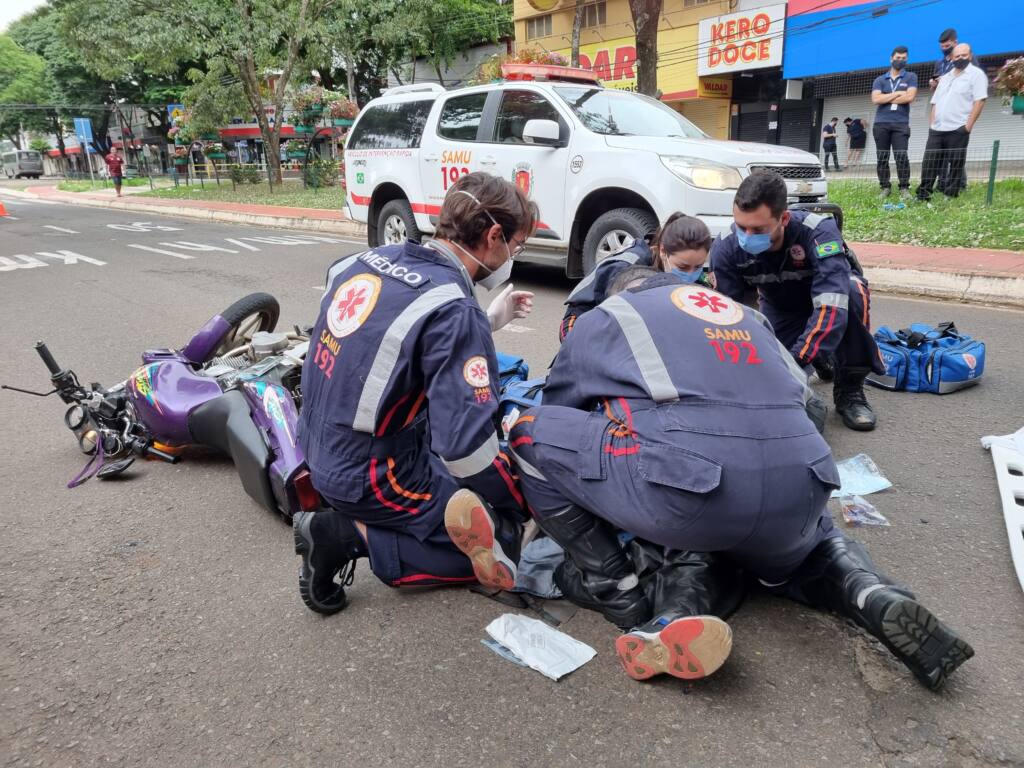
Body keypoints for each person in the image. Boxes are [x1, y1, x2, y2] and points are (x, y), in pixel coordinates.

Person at [508, 265, 974, 690]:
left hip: (693, 496)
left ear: (618, 292)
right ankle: (867, 590)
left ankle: (621, 596)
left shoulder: (611, 316)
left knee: (532, 432)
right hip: (804, 485)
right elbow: (810, 405)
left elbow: (561, 410)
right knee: (809, 542)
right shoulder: (745, 316)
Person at [292, 172, 537, 614]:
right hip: (372, 473)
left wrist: (487, 322)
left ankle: (371, 520)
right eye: (516, 246)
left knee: (467, 509)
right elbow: (465, 449)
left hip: (313, 442)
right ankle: (342, 536)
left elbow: (392, 343)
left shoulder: (363, 261)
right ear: (494, 236)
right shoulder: (454, 310)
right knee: (502, 541)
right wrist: (521, 501)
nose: (512, 256)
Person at [709, 171, 884, 431]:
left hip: (826, 303)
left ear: (784, 218)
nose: (746, 236)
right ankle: (820, 355)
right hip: (781, 308)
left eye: (758, 229)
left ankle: (849, 388)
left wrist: (796, 359)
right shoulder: (726, 248)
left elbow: (831, 305)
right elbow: (729, 320)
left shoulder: (818, 232)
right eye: (741, 226)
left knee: (852, 292)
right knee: (767, 367)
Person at [559, 212, 714, 340]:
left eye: (698, 267)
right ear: (663, 251)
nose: (690, 274)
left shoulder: (701, 280)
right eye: (683, 267)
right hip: (584, 322)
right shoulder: (625, 268)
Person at [917, 43, 988, 202]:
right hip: (937, 129)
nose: (960, 58)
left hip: (958, 127)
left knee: (956, 163)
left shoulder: (976, 75)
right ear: (952, 57)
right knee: (929, 162)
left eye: (964, 55)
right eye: (957, 56)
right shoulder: (946, 77)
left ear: (970, 56)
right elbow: (935, 102)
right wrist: (932, 123)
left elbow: (980, 100)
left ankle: (951, 193)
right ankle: (923, 193)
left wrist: (968, 126)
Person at [871, 46, 918, 199]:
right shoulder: (880, 80)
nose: (900, 60)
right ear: (891, 59)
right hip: (881, 124)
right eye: (898, 58)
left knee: (901, 156)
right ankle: (885, 187)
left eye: (903, 58)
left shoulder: (911, 77)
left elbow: (910, 97)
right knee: (882, 157)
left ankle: (904, 188)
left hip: (901, 123)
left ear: (907, 59)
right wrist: (898, 93)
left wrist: (886, 96)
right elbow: (876, 99)